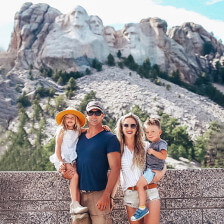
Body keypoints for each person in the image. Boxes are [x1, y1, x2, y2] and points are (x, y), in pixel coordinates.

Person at [64, 100, 121, 224]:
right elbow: (68, 155)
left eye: (97, 112)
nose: (94, 116)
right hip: (79, 197)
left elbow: (116, 169)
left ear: (102, 115)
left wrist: (107, 196)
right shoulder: (79, 136)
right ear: (86, 115)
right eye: (91, 112)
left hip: (99, 196)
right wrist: (64, 171)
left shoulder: (110, 138)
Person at [115, 113, 166, 224]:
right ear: (121, 128)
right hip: (130, 194)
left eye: (133, 125)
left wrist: (161, 172)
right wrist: (109, 196)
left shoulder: (146, 146)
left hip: (150, 192)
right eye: (126, 125)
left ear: (137, 128)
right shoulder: (117, 149)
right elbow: (115, 174)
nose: (129, 128)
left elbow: (162, 161)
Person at [49, 107, 89, 215]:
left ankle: (77, 204)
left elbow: (90, 130)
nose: (70, 120)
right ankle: (74, 204)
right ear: (64, 120)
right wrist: (61, 161)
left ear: (76, 120)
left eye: (72, 118)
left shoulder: (77, 131)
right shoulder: (62, 130)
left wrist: (103, 127)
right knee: (75, 176)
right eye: (67, 118)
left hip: (72, 159)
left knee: (76, 177)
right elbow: (57, 148)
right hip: (63, 158)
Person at [131, 118, 167, 222]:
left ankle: (142, 208)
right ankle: (142, 207)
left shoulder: (161, 143)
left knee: (139, 185)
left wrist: (152, 152)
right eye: (147, 132)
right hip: (149, 170)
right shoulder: (151, 143)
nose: (150, 134)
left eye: (153, 132)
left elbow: (164, 156)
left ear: (159, 132)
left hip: (152, 171)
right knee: (140, 185)